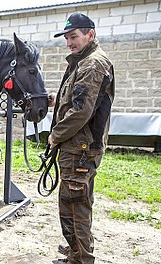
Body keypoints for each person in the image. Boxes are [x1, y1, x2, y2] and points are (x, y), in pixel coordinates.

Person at [49, 13, 115, 264]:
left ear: (91, 34)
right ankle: (77, 252)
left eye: (74, 36)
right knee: (73, 201)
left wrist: (55, 135)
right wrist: (57, 103)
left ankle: (82, 259)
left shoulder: (92, 64)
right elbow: (81, 102)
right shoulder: (83, 61)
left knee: (76, 205)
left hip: (81, 148)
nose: (69, 42)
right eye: (67, 38)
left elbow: (82, 112)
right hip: (78, 146)